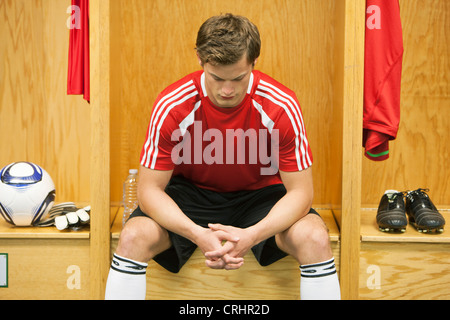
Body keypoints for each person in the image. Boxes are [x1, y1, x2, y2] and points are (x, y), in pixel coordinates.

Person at [105, 13, 340, 300]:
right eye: (216, 78)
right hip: (190, 196)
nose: (227, 90)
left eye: (239, 78)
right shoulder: (173, 105)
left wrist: (253, 234)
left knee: (315, 237)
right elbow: (149, 190)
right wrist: (197, 234)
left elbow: (301, 194)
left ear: (254, 62)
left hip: (261, 197)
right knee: (132, 236)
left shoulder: (281, 106)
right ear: (200, 60)